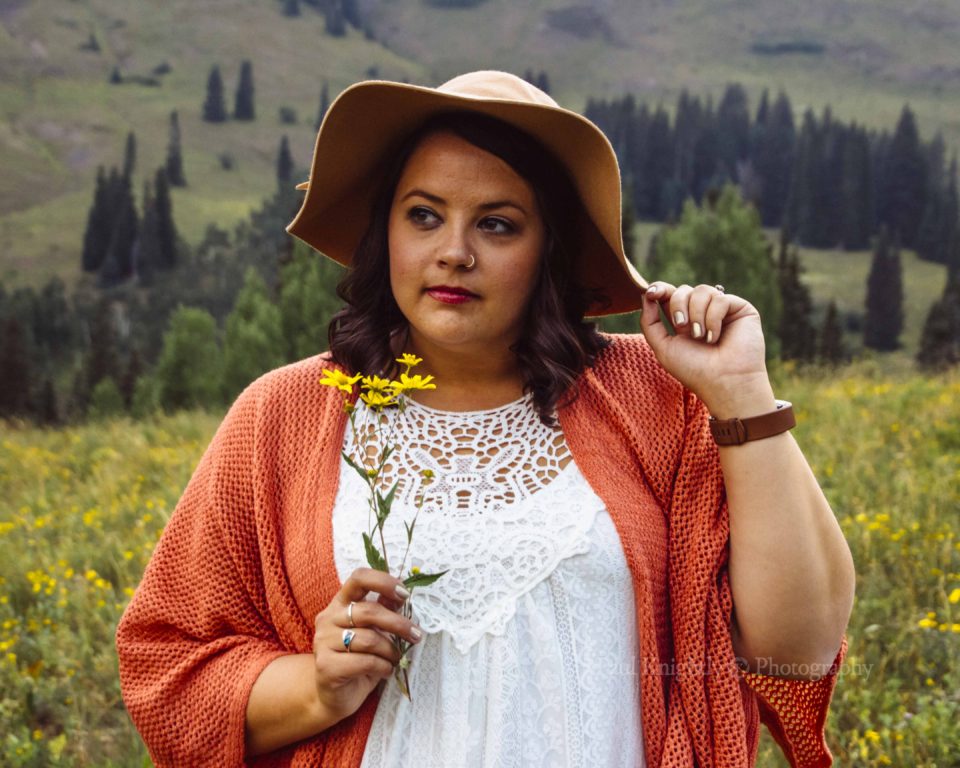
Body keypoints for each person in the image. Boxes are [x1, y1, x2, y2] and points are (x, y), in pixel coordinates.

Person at [116, 71, 855, 767]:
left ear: (550, 251)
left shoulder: (655, 400)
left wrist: (742, 396)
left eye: (497, 225)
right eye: (424, 215)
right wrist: (316, 686)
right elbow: (168, 668)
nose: (454, 252)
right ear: (387, 233)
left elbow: (799, 648)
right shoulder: (282, 416)